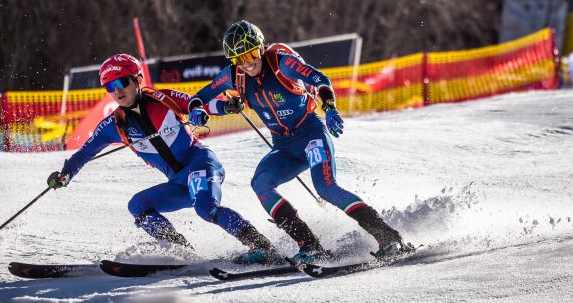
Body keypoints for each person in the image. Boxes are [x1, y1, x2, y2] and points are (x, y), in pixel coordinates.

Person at [188, 20, 410, 264]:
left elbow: (320, 79)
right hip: (284, 146)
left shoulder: (282, 63)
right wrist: (199, 109)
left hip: (311, 135)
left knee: (325, 187)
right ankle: (309, 245)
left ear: (261, 48)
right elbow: (200, 97)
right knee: (261, 183)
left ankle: (389, 237)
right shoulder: (234, 76)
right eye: (239, 58)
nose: (247, 63)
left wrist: (330, 106)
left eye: (251, 53)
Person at [46, 53, 280, 264]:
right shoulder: (114, 125)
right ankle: (181, 253)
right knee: (138, 205)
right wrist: (65, 174)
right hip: (178, 182)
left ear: (138, 79)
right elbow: (85, 152)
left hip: (200, 163)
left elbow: (195, 103)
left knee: (206, 208)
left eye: (122, 82)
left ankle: (262, 247)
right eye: (109, 86)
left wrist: (224, 106)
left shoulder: (162, 99)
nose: (117, 91)